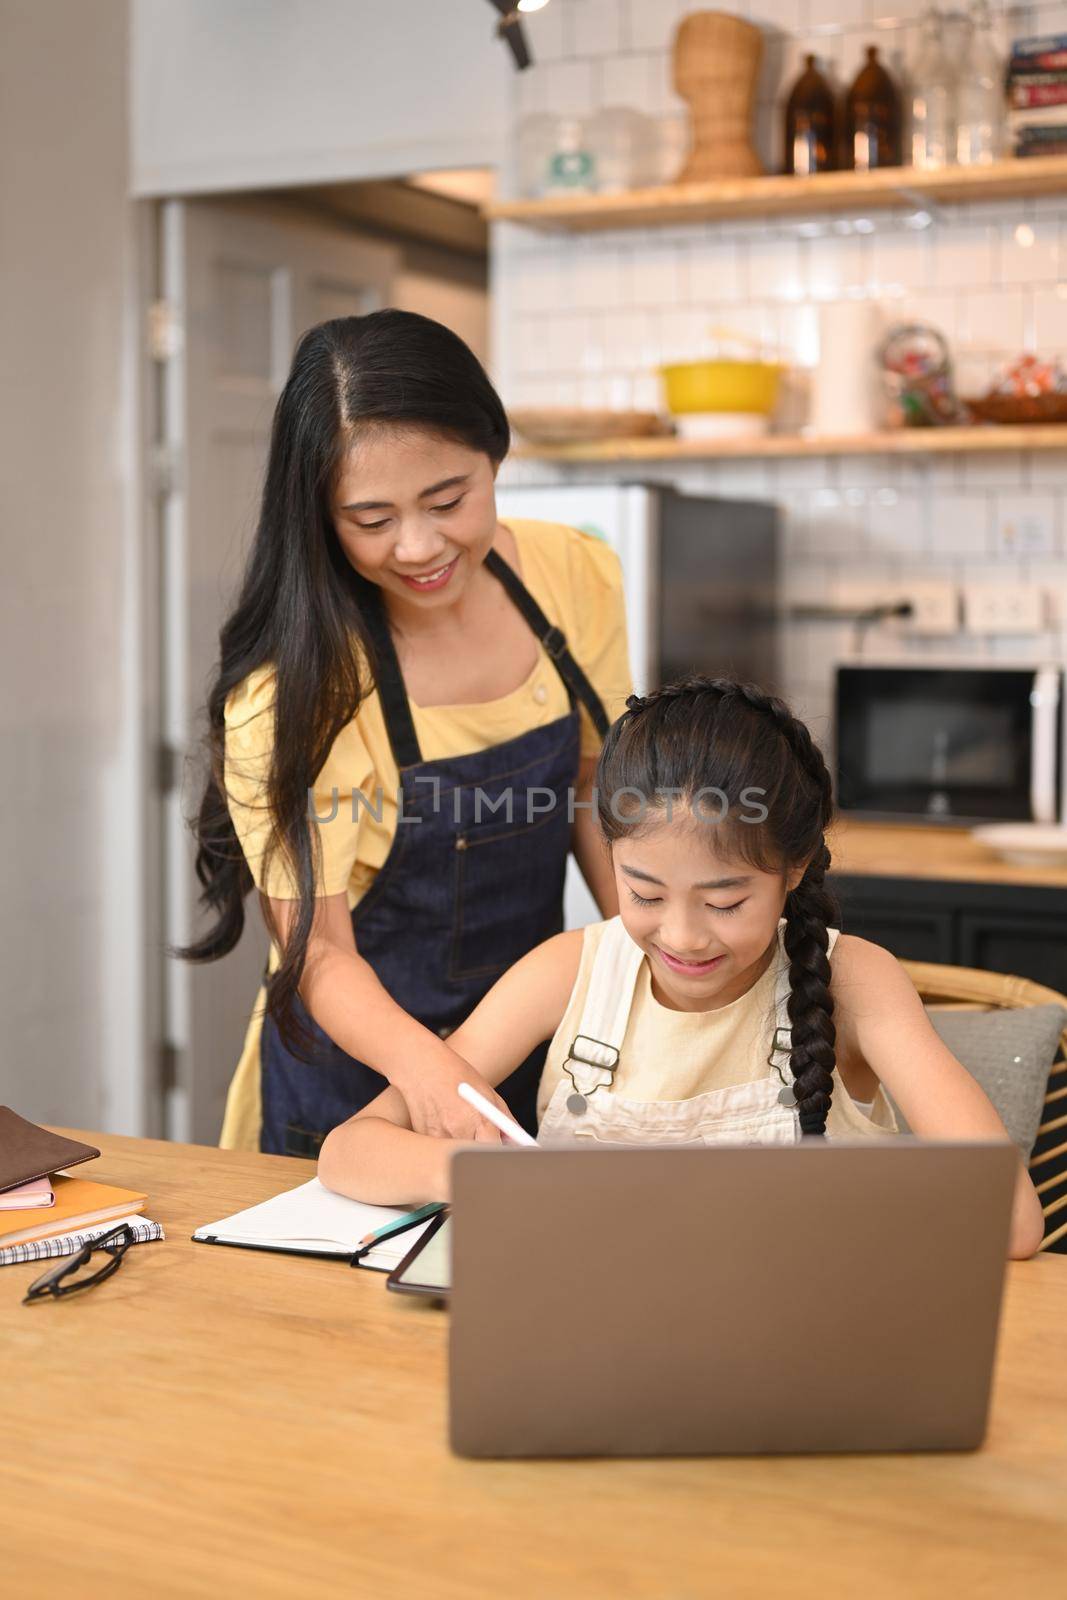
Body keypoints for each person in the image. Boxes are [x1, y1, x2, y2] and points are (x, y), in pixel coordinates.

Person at [318, 676, 1046, 1260]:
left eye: (725, 901)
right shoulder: (569, 970)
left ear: (793, 870)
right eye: (643, 893)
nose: (682, 936)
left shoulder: (855, 980)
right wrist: (494, 1179)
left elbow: (1012, 1221)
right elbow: (348, 1153)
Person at [181, 310, 631, 1156]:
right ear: (318, 513)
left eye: (448, 499)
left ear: (494, 455)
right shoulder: (293, 697)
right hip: (355, 1088)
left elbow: (593, 789)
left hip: (534, 1043)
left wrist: (651, 973)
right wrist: (438, 1079)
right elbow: (317, 952)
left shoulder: (574, 573)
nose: (420, 546)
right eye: (371, 519)